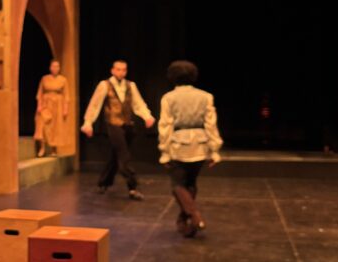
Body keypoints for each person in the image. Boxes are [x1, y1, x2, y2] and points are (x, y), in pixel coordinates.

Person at [157, 60, 222, 237]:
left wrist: (164, 152)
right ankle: (185, 222)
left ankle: (195, 215)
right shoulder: (206, 96)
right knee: (191, 183)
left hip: (179, 145)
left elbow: (165, 126)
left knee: (177, 185)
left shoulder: (169, 98)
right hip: (200, 146)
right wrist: (214, 150)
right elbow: (211, 124)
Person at [81, 60, 155, 200]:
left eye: (124, 70)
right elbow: (95, 104)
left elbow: (138, 103)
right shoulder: (105, 85)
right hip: (113, 124)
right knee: (124, 155)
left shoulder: (130, 85)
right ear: (112, 70)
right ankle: (133, 186)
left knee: (116, 156)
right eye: (118, 69)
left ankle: (104, 182)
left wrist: (147, 116)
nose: (121, 72)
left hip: (127, 125)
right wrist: (88, 122)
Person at [34, 58, 69, 157]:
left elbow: (66, 95)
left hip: (58, 105)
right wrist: (39, 105)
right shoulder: (44, 78)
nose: (55, 68)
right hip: (46, 103)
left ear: (59, 68)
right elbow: (40, 93)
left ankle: (54, 149)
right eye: (53, 66)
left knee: (55, 127)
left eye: (57, 66)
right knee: (42, 125)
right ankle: (42, 148)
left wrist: (65, 109)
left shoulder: (63, 80)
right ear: (50, 68)